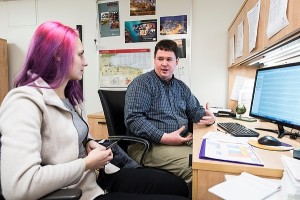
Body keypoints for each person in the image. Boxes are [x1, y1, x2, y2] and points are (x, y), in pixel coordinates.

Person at [0, 21, 190, 200]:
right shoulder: (24, 102)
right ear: (59, 55)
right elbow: (18, 188)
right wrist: (86, 164)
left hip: (99, 176)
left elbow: (72, 136)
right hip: (81, 191)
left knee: (178, 187)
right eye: (80, 54)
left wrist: (89, 142)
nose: (86, 62)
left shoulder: (67, 97)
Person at [124, 39, 215, 184]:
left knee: (213, 156)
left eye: (169, 59)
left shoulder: (181, 87)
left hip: (181, 140)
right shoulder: (142, 84)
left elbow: (194, 110)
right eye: (160, 59)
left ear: (177, 61)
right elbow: (134, 120)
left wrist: (208, 117)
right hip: (148, 146)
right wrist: (164, 137)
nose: (164, 63)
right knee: (198, 167)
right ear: (154, 60)